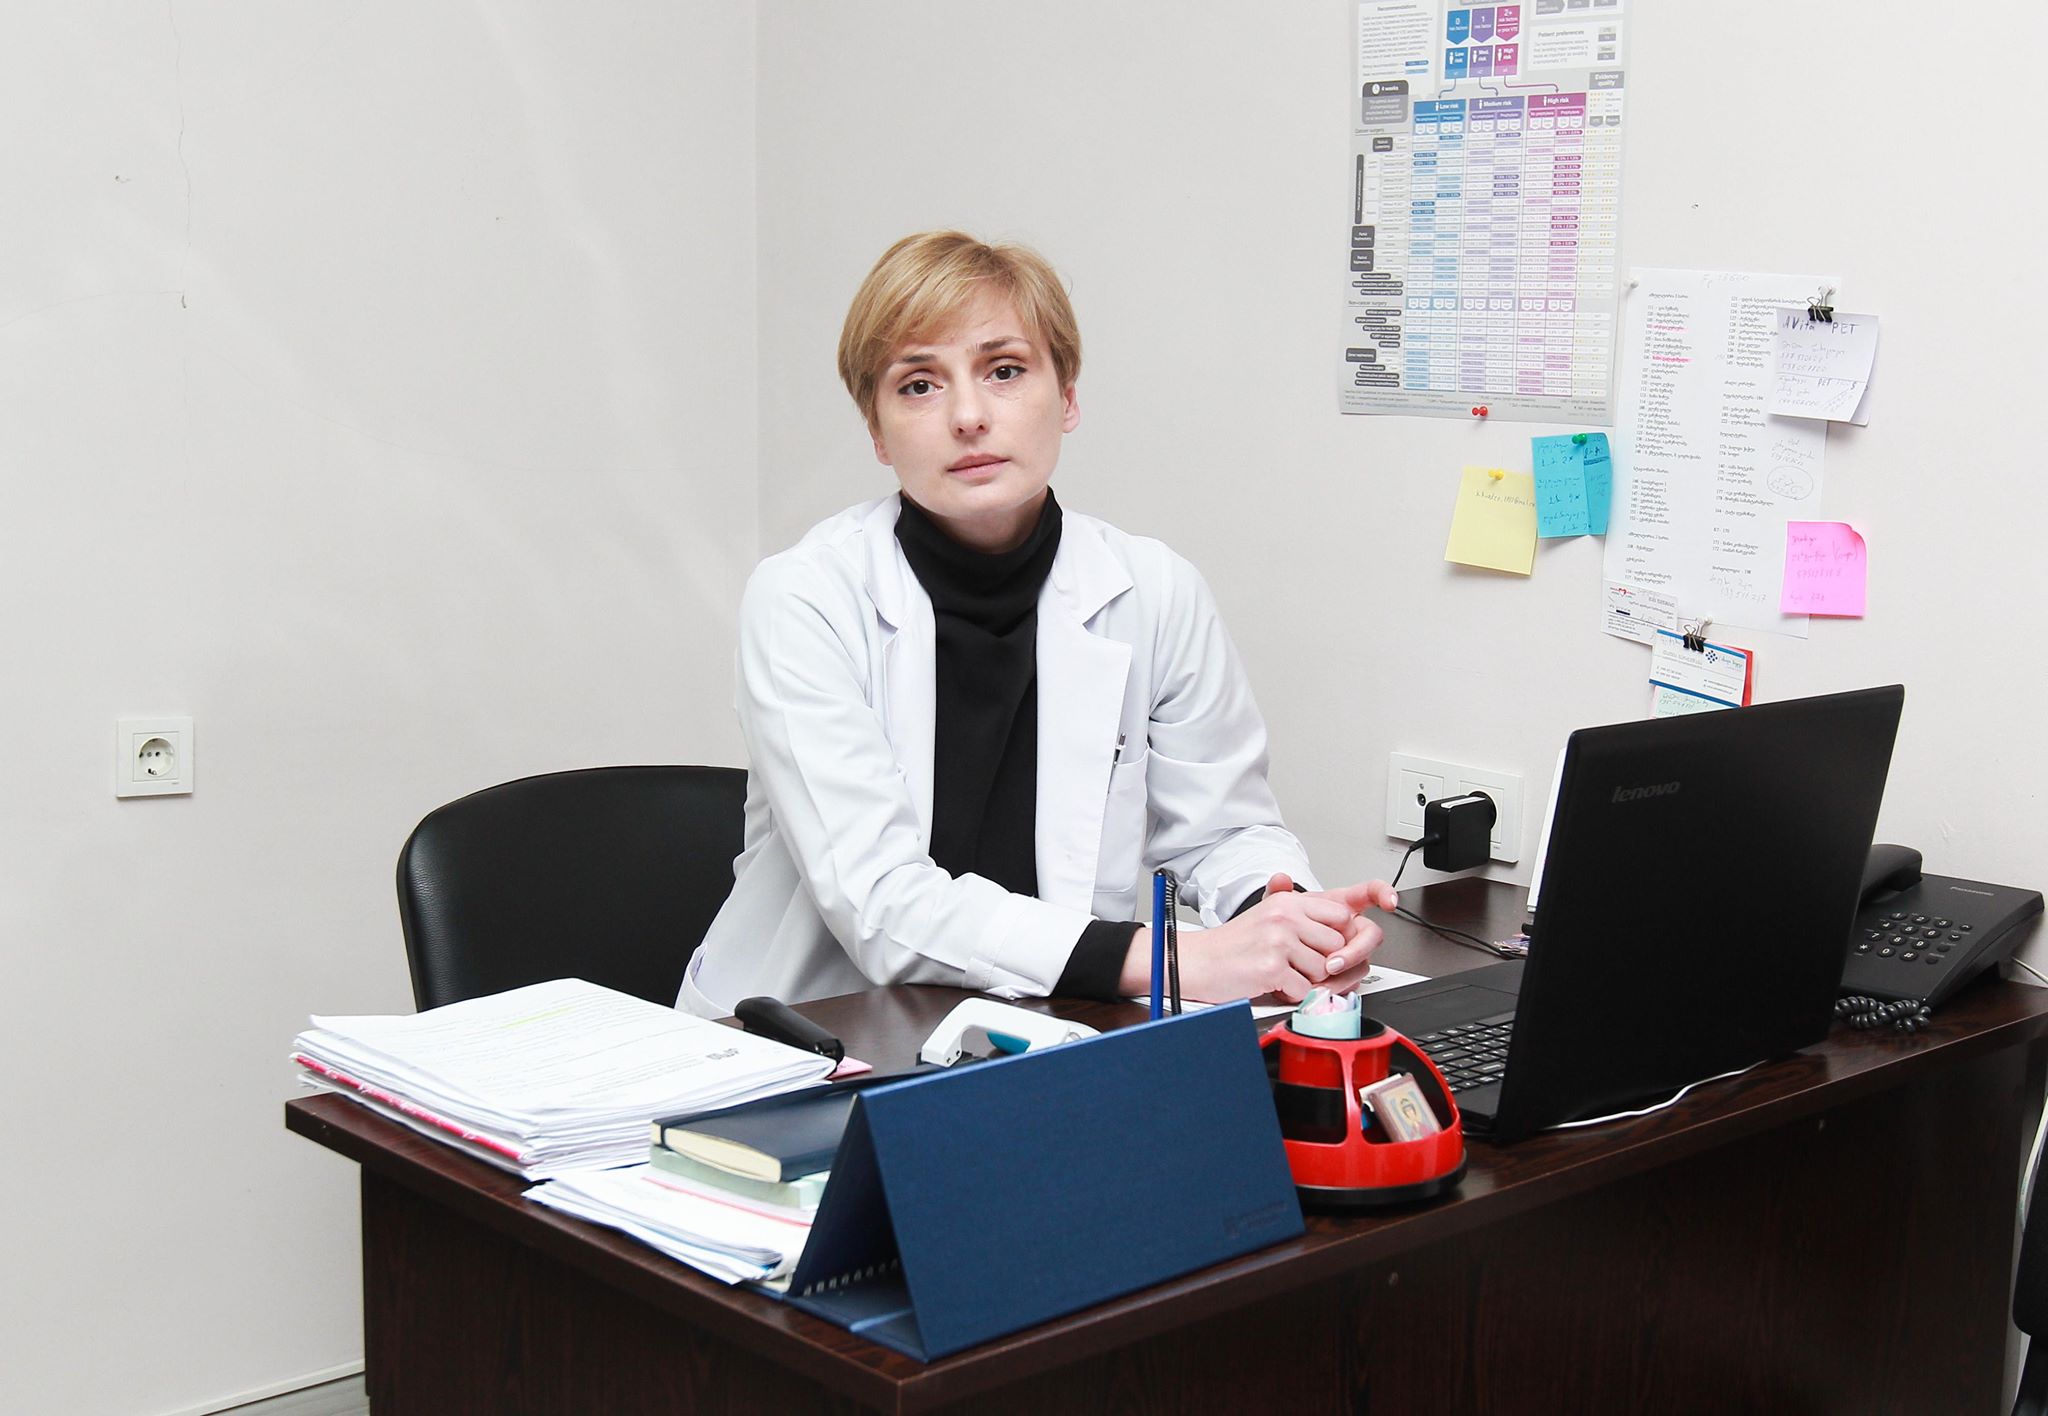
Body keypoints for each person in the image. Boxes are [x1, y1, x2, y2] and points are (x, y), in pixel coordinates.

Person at [677, 231, 1397, 1018]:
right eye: (918, 385)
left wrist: (1284, 919)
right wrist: (1173, 959)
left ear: (1069, 397)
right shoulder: (804, 599)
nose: (968, 416)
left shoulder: (1154, 591)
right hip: (816, 1033)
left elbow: (1223, 830)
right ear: (877, 433)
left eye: (1005, 370)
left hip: (1053, 1020)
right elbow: (881, 903)